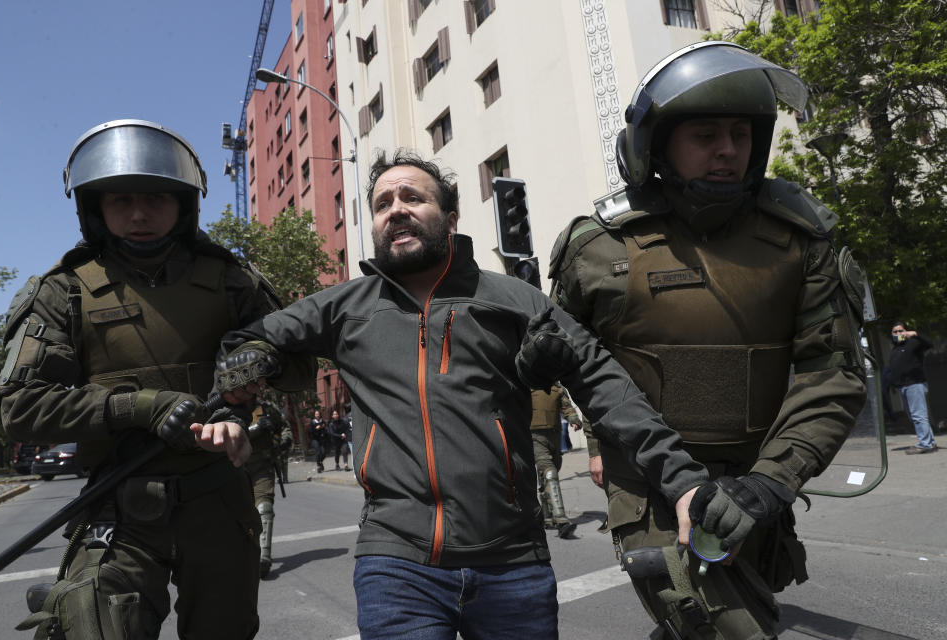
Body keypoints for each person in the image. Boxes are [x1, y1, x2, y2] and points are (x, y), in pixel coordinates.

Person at [208, 150, 709, 640]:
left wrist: (681, 480)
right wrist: (232, 395)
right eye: (383, 204)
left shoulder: (515, 299)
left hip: (513, 563)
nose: (396, 209)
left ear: (450, 218)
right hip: (396, 564)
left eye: (412, 197)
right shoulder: (344, 306)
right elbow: (248, 343)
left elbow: (604, 382)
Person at [550, 42, 868, 639]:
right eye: (704, 134)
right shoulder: (598, 248)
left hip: (757, 481)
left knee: (738, 610)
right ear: (657, 144)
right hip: (647, 481)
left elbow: (832, 375)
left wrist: (772, 481)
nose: (727, 150)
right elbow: (581, 364)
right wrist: (596, 441)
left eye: (739, 135)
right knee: (723, 626)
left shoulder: (801, 240)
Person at [0, 120, 310, 639]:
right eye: (121, 200)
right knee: (92, 623)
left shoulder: (233, 279)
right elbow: (20, 408)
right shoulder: (63, 290)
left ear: (185, 204)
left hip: (217, 500)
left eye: (157, 198)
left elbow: (300, 367)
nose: (139, 214)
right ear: (94, 207)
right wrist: (142, 406)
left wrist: (257, 357)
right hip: (119, 506)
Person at [245, 396, 294, 578]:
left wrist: (284, 442)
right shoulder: (227, 406)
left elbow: (284, 426)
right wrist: (256, 429)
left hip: (262, 466)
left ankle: (263, 558)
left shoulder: (267, 408)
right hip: (235, 468)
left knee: (264, 508)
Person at [530, 385, 583, 539]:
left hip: (554, 436)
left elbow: (566, 405)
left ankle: (548, 518)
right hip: (534, 436)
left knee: (549, 473)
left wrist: (573, 419)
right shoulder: (525, 382)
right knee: (549, 472)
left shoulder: (556, 386)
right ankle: (561, 521)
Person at [889, 321, 937, 454]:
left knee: (918, 415)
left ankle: (925, 444)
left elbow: (929, 344)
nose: (898, 334)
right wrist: (894, 384)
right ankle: (930, 442)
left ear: (905, 331)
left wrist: (915, 334)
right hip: (903, 386)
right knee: (914, 416)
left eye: (900, 331)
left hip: (914, 384)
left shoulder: (913, 343)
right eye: (895, 332)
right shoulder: (895, 349)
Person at [309, 408, 330, 472]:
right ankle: (318, 465)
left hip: (321, 439)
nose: (317, 415)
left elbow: (325, 430)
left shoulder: (322, 421)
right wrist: (316, 429)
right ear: (314, 415)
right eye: (316, 414)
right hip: (315, 439)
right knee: (318, 452)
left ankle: (320, 462)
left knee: (323, 453)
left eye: (318, 414)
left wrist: (323, 428)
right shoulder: (312, 422)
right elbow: (310, 432)